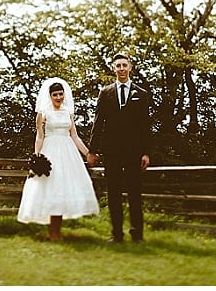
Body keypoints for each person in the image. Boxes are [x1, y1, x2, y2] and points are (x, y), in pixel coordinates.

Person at [17, 77, 99, 240]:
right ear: (50, 96)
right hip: (50, 151)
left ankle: (57, 231)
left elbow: (75, 137)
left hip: (68, 153)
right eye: (55, 95)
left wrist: (88, 153)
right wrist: (37, 156)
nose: (59, 97)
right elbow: (39, 137)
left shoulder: (68, 113)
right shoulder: (43, 114)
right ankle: (53, 233)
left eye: (61, 94)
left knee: (63, 188)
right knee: (51, 188)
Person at [87, 53, 151, 243]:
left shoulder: (141, 93)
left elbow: (145, 126)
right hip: (112, 151)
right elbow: (98, 122)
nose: (121, 69)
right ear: (113, 69)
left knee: (134, 193)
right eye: (118, 66)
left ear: (130, 67)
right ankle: (116, 235)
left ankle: (137, 234)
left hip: (134, 151)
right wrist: (92, 149)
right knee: (114, 193)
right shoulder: (105, 93)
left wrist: (146, 152)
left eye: (125, 65)